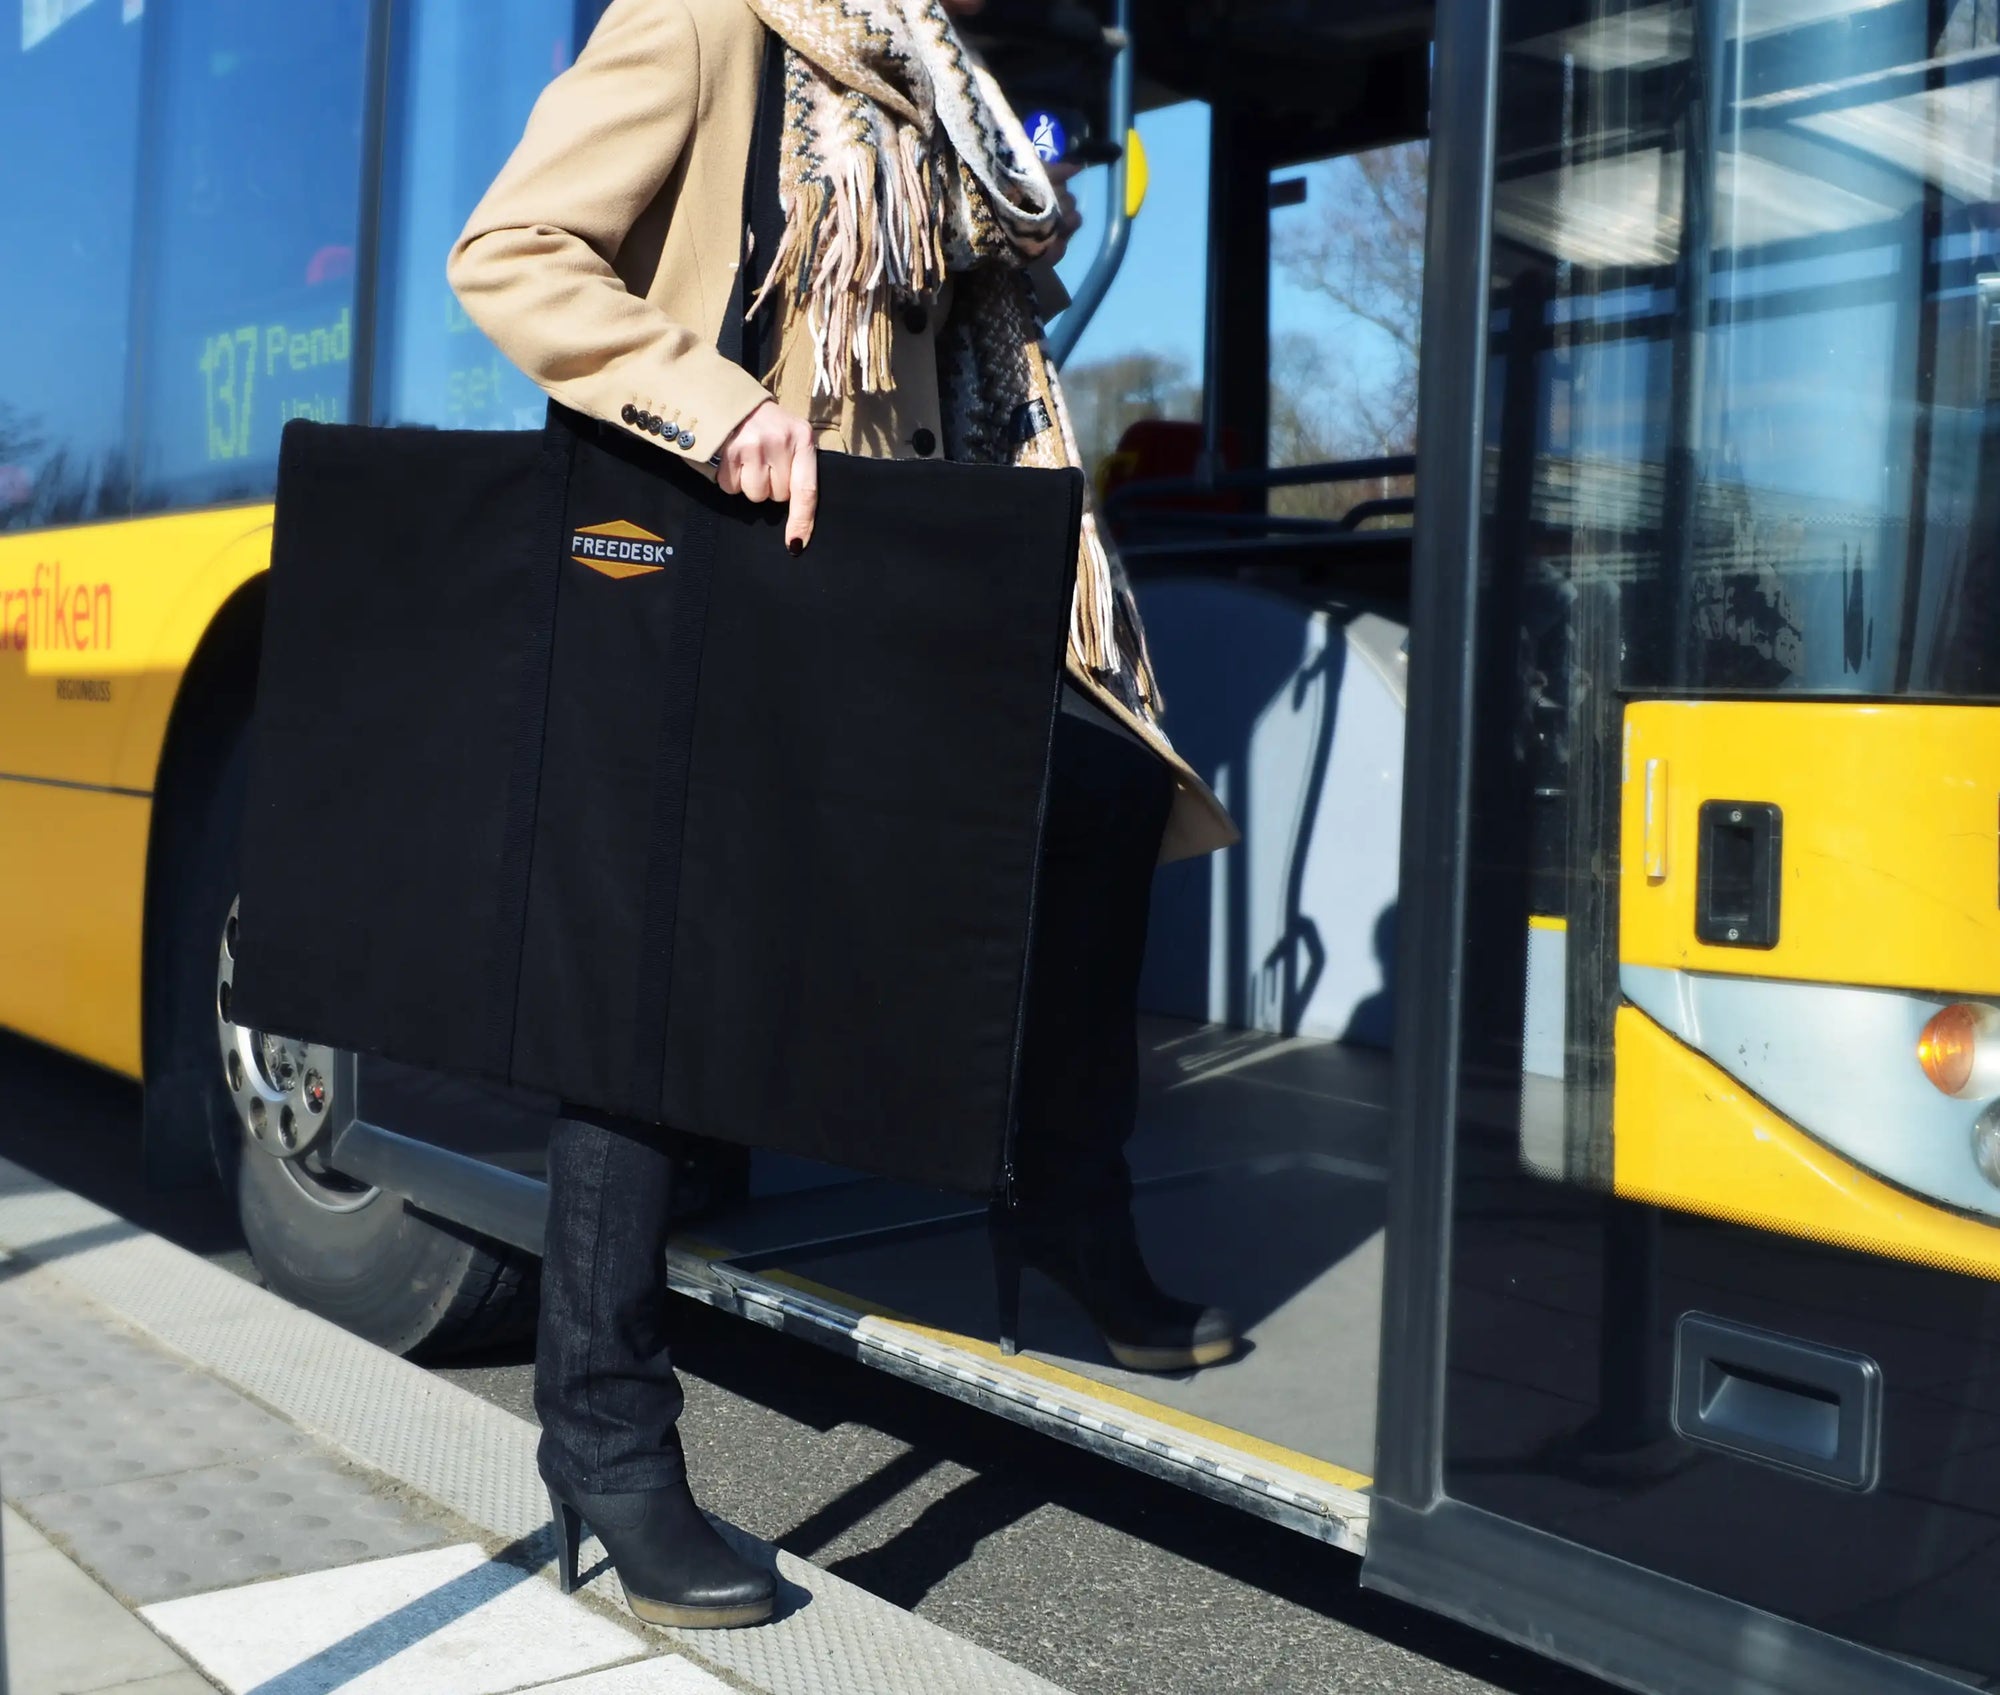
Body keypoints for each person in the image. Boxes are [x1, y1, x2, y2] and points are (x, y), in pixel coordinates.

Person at [448, 0, 1237, 1632]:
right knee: (658, 996)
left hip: (900, 565)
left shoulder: (940, 78)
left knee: (1099, 800)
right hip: (720, 562)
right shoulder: (701, 23)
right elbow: (512, 251)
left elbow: (963, 339)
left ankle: (1073, 1214)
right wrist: (717, 404)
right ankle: (603, 1435)